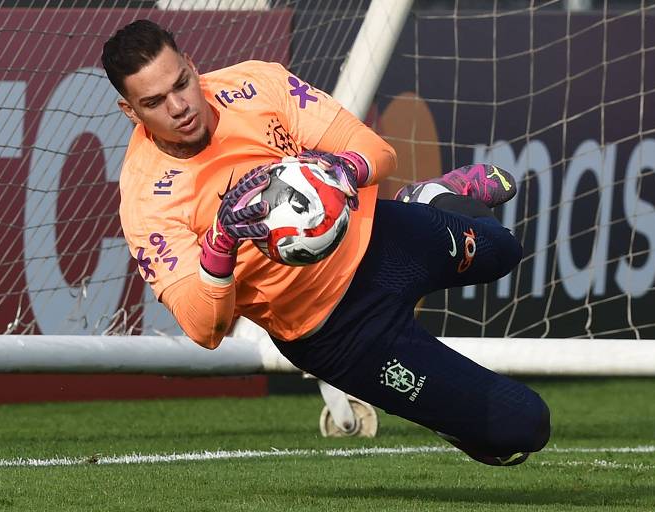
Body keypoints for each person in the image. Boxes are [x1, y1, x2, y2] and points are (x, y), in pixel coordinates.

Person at [102, 19, 550, 466]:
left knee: (504, 249)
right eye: (155, 102)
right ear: (130, 111)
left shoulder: (256, 84)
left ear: (192, 66)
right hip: (335, 332)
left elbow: (377, 151)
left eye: (181, 83)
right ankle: (451, 414)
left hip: (383, 240)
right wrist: (221, 242)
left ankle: (428, 198)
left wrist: (337, 172)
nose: (179, 106)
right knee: (524, 428)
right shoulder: (147, 201)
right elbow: (204, 330)